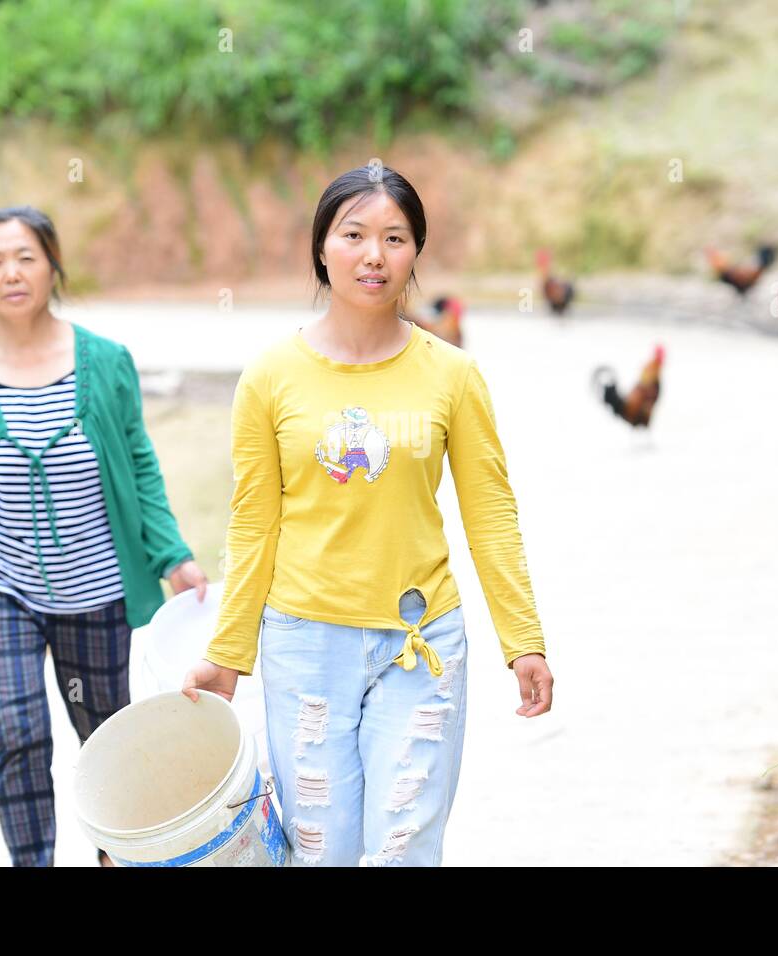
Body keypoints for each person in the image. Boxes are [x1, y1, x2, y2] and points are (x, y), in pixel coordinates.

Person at [182, 164, 553, 866]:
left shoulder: (453, 375)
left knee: (407, 847)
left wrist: (522, 638)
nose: (374, 255)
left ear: (416, 253)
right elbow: (253, 523)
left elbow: (491, 513)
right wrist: (227, 655)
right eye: (353, 235)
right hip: (303, 646)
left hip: (421, 643)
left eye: (395, 237)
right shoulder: (270, 376)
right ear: (322, 247)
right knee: (324, 850)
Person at [0, 205, 208, 867]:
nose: (11, 272)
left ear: (53, 266)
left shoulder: (105, 364)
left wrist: (173, 554)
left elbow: (139, 462)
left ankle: (117, 854)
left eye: (26, 256)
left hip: (97, 585)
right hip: (1, 586)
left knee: (105, 734)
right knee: (14, 729)